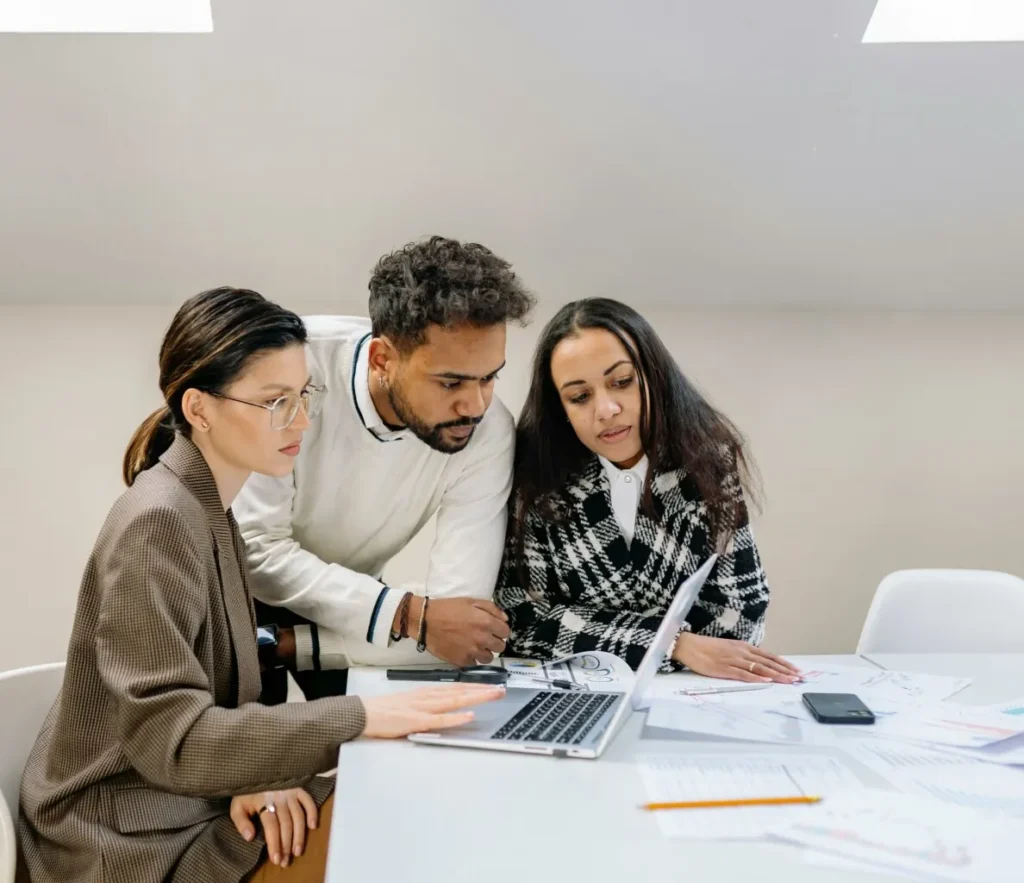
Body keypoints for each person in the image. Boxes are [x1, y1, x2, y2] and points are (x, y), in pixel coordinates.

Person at [17, 288, 502, 883]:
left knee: (404, 801)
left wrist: (259, 777)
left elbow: (207, 718)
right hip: (128, 841)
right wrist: (359, 717)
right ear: (199, 409)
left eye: (304, 396)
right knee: (398, 829)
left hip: (191, 803)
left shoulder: (210, 511)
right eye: (275, 402)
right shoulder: (157, 523)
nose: (300, 421)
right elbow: (168, 737)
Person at [234, 237, 535, 702]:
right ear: (382, 359)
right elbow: (255, 552)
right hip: (235, 596)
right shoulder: (292, 369)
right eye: (450, 381)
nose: (475, 405)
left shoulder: (489, 430)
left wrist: (410, 619)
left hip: (359, 605)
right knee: (244, 762)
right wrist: (412, 614)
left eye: (490, 376)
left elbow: (459, 625)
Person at [495, 298, 801, 684]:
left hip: (688, 693)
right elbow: (522, 620)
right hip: (571, 693)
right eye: (579, 396)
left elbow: (741, 618)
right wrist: (673, 643)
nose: (606, 410)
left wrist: (587, 630)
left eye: (621, 382)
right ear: (561, 409)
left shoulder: (708, 464)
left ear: (654, 376)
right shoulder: (536, 480)